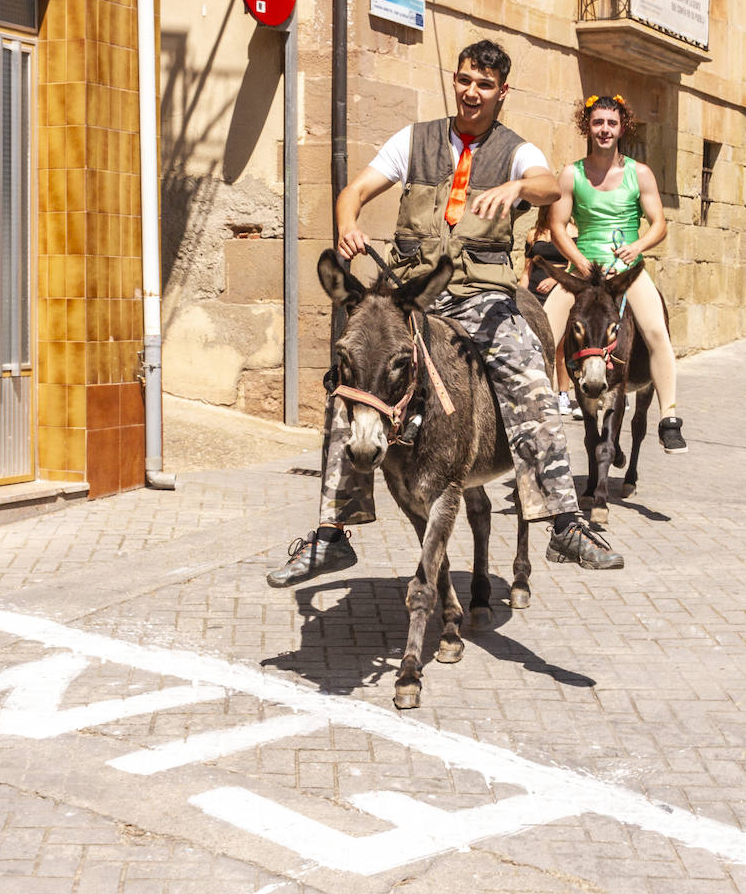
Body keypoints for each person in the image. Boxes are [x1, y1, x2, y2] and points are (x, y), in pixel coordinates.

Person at [266, 40, 622, 588]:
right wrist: (346, 221)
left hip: (482, 295)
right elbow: (355, 190)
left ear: (502, 92)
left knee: (528, 370)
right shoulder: (415, 140)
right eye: (464, 80)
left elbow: (549, 186)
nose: (470, 92)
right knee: (352, 377)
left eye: (483, 84)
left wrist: (515, 187)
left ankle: (563, 521)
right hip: (411, 293)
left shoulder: (515, 149)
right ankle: (332, 531)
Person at [543, 94, 686, 453]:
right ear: (587, 126)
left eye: (611, 123)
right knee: (540, 332)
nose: (604, 129)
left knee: (656, 331)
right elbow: (557, 225)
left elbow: (659, 224)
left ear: (622, 127)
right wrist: (578, 260)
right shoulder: (570, 174)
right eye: (597, 122)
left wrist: (637, 247)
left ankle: (669, 418)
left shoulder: (640, 173)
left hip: (626, 272)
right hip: (583, 272)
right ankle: (536, 413)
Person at [518, 206, 579, 416]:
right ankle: (540, 391)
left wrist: (555, 279)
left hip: (560, 289)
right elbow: (527, 270)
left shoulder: (571, 231)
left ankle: (563, 394)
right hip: (534, 294)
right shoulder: (534, 233)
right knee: (534, 344)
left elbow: (573, 266)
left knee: (560, 346)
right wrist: (519, 294)